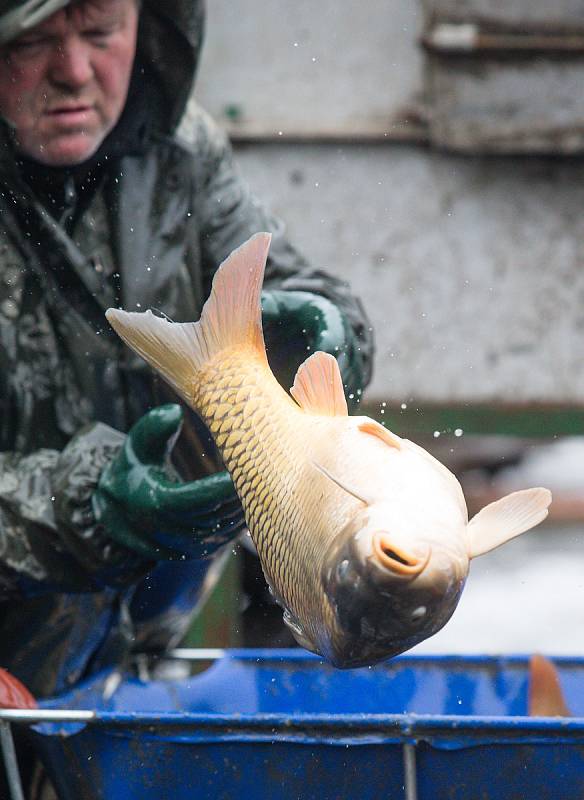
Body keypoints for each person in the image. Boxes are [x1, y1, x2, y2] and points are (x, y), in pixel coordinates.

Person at [0, 0, 374, 708]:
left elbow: (291, 282)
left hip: (131, 632)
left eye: (101, 32)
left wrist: (332, 334)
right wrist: (93, 507)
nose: (74, 71)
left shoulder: (178, 149)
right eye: (34, 40)